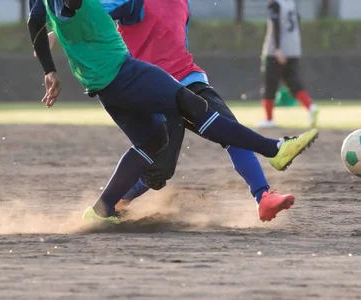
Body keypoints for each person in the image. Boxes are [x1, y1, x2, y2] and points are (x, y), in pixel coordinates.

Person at [27, 0, 318, 224]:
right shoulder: (132, 2)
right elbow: (86, 14)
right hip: (146, 87)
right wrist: (55, 31)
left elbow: (177, 40)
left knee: (227, 128)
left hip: (186, 79)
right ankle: (114, 203)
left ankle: (264, 194)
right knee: (159, 170)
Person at [257, 0, 318, 129]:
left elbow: (275, 25)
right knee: (293, 83)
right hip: (294, 49)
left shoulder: (275, 4)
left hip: (277, 52)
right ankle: (311, 107)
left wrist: (278, 48)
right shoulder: (291, 3)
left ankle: (269, 119)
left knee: (270, 85)